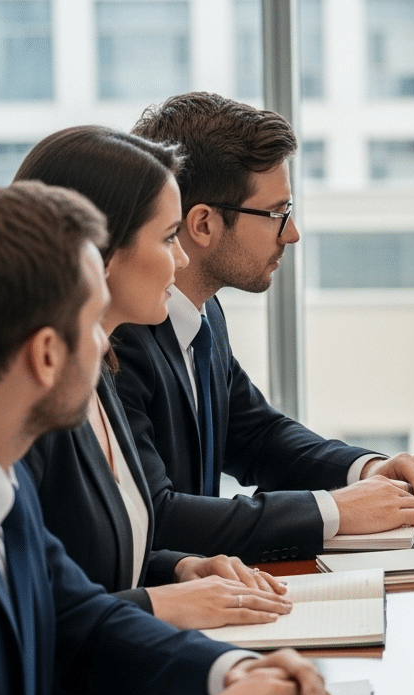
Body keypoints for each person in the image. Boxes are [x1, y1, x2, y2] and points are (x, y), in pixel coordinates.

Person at [0, 181, 329, 695]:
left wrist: (236, 671)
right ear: (46, 355)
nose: (107, 348)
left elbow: (82, 621)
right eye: (96, 324)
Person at [117, 91, 414, 563]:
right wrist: (333, 510)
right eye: (277, 214)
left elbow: (256, 437)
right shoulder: (121, 339)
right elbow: (158, 517)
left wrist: (367, 469)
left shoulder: (203, 314)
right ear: (203, 225)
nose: (291, 233)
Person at [17, 125, 293, 631]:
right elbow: (41, 611)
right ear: (97, 252)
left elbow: (90, 566)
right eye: (168, 238)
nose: (181, 257)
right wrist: (160, 603)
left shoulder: (99, 370)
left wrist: (176, 569)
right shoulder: (33, 408)